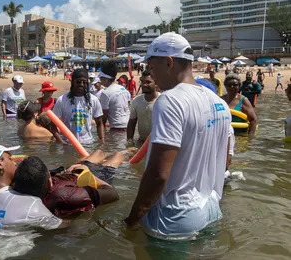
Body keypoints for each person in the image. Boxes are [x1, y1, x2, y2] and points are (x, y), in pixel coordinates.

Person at [124, 32, 231, 239]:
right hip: (211, 209)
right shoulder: (219, 103)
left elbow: (158, 174)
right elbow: (225, 162)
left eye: (153, 68)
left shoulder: (170, 100)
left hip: (175, 216)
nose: (152, 76)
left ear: (169, 62)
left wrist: (132, 219)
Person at [14, 150, 123, 216]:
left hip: (73, 174)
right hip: (93, 179)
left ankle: (104, 156)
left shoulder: (24, 185)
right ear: (48, 182)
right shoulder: (67, 196)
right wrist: (89, 173)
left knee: (98, 152)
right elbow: (113, 194)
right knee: (118, 156)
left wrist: (67, 171)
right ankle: (127, 152)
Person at [52, 68, 105, 144]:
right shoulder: (62, 100)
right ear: (72, 82)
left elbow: (99, 123)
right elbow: (52, 123)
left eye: (84, 82)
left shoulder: (93, 100)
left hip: (88, 144)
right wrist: (60, 140)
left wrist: (102, 141)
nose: (81, 85)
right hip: (68, 144)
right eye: (78, 82)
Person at [127, 69, 159, 142]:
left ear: (156, 83)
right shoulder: (136, 101)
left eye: (148, 82)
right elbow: (132, 123)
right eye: (142, 82)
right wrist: (129, 143)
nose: (144, 85)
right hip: (141, 141)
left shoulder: (162, 100)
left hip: (157, 143)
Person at [99, 62, 131, 131]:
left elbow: (104, 118)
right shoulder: (124, 90)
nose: (100, 81)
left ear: (106, 79)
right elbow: (128, 107)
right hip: (129, 126)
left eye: (101, 78)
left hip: (117, 128)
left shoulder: (105, 93)